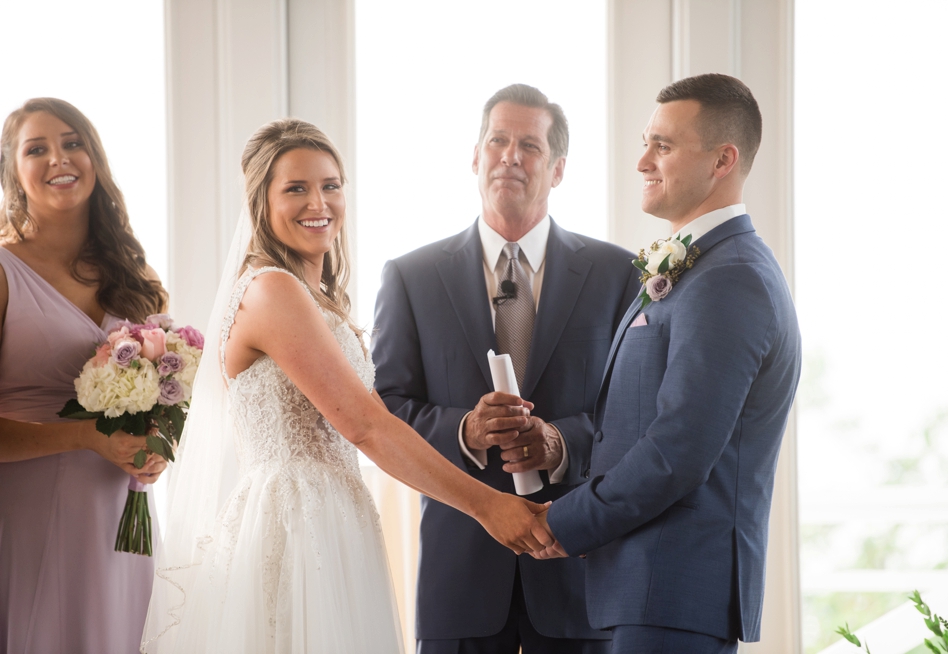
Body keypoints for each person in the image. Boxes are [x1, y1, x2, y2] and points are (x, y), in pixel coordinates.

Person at [141, 118, 553, 654]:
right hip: (295, 526)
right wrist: (487, 506)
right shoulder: (272, 290)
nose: (320, 202)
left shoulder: (314, 297)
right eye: (296, 188)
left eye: (331, 185)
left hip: (335, 515)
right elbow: (365, 425)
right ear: (260, 202)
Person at [532, 74, 803, 653]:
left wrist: (563, 520)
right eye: (646, 142)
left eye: (663, 145)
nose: (642, 162)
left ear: (722, 160)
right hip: (646, 590)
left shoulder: (731, 279)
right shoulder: (705, 268)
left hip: (674, 593)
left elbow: (677, 450)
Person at [372, 84, 639, 653]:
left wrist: (560, 442)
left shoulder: (620, 275)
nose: (510, 156)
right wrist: (464, 431)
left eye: (530, 146)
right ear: (475, 157)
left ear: (559, 169)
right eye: (497, 140)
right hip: (459, 584)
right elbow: (385, 413)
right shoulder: (410, 278)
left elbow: (637, 415)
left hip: (577, 582)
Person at [0, 98, 169, 653]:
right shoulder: (4, 273)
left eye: (73, 142)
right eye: (37, 148)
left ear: (94, 158)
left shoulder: (137, 277)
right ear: (13, 172)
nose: (59, 158)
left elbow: (170, 390)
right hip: (25, 514)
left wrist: (158, 446)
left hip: (122, 516)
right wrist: (80, 436)